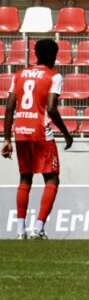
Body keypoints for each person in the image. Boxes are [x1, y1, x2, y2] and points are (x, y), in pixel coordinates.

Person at [2, 39, 73, 239]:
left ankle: (20, 230)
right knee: (51, 179)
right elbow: (51, 108)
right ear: (54, 55)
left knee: (25, 178)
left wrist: (6, 139)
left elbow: (8, 108)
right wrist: (66, 133)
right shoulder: (54, 76)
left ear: (36, 54)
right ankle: (39, 228)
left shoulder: (19, 74)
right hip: (41, 133)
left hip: (21, 131)